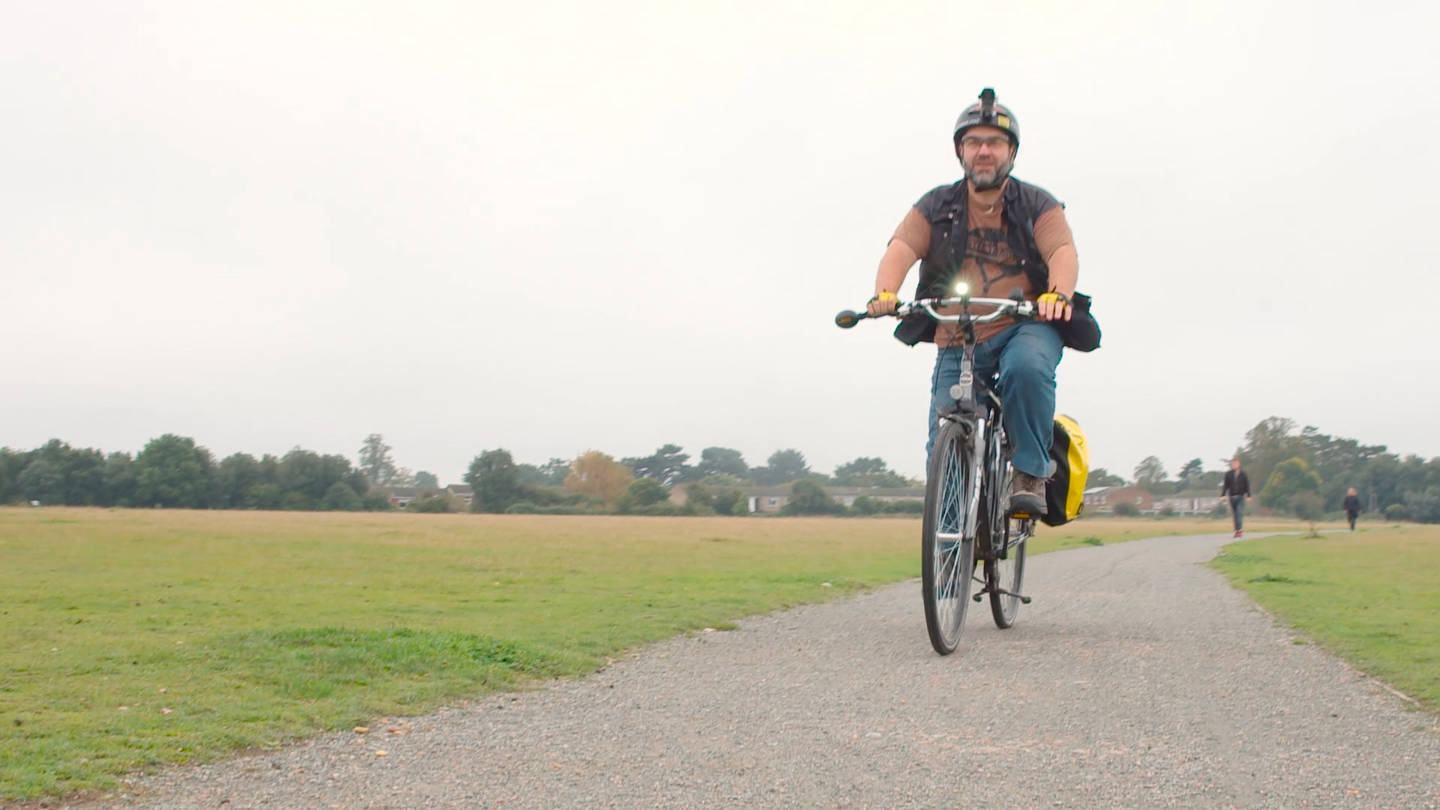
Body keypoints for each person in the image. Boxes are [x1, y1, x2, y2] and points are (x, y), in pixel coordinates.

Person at [864, 88, 1079, 515]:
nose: (984, 151)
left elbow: (1062, 252)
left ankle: (1030, 474)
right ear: (960, 151)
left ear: (1011, 152)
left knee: (1027, 368)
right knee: (944, 437)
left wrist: (1058, 295)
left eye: (994, 142)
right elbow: (901, 248)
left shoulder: (1037, 203)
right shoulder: (936, 205)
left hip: (1024, 323)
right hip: (957, 333)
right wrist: (885, 293)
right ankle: (949, 550)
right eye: (974, 142)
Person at [1220, 458, 1252, 537]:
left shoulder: (1243, 474)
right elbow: (1225, 486)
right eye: (1232, 464)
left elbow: (1247, 485)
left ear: (1239, 464)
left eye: (1235, 464)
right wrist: (1223, 495)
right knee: (1235, 514)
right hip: (1232, 497)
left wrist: (1249, 496)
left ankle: (1239, 530)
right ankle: (1236, 530)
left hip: (1241, 496)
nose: (1234, 465)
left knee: (1239, 512)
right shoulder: (1228, 474)